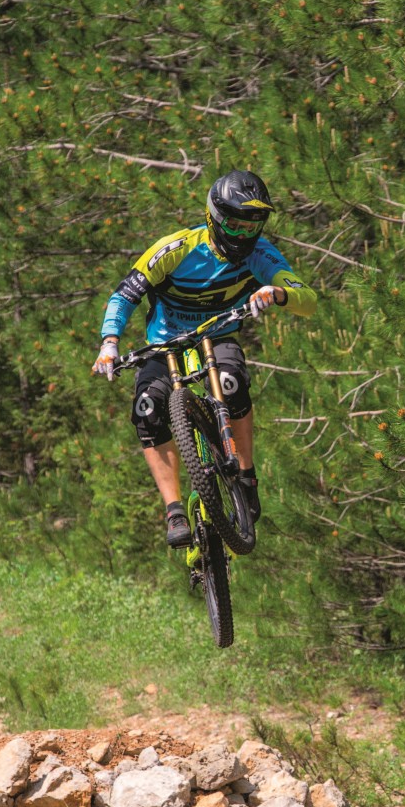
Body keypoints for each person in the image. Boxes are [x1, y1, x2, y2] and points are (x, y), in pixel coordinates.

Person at [92, 170, 317, 546]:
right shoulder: (176, 248)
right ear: (214, 218)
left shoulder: (261, 254)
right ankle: (174, 509)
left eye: (252, 227)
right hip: (164, 344)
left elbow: (306, 299)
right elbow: (125, 294)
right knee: (147, 408)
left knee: (231, 383)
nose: (242, 235)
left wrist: (277, 293)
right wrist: (109, 341)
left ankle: (246, 476)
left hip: (218, 336)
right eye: (234, 225)